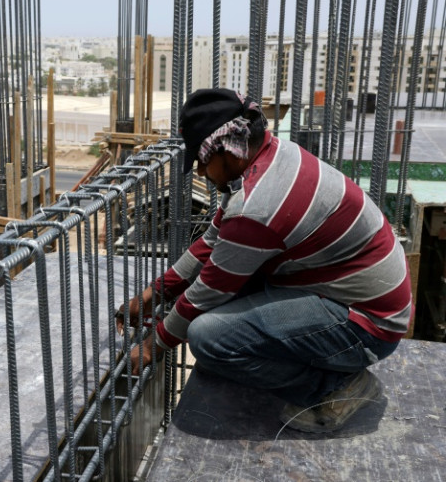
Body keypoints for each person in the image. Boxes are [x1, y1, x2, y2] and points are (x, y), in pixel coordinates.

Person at [118, 88, 413, 433]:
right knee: (221, 312)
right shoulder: (271, 155)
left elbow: (208, 291)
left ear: (226, 150)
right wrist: (154, 294)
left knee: (207, 337)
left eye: (201, 160)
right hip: (347, 292)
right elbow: (212, 240)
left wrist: (154, 345)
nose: (199, 171)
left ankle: (334, 390)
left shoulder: (258, 205)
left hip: (367, 324)